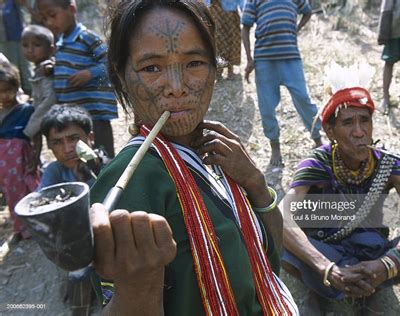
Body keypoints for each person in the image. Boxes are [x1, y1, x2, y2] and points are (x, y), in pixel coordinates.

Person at [88, 1, 298, 315]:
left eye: (194, 63)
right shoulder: (131, 182)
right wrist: (137, 285)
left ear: (215, 67)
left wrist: (255, 183)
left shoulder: (220, 153)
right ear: (121, 76)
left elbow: (268, 259)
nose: (176, 87)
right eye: (152, 68)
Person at [279, 65, 400, 313]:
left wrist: (387, 264)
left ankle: (374, 285)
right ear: (330, 131)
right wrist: (325, 268)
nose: (359, 131)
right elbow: (283, 215)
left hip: (371, 250)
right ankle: (319, 287)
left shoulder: (388, 163)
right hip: (326, 249)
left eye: (365, 120)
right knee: (284, 245)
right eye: (348, 123)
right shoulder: (318, 163)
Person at [39, 104, 107, 316]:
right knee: (78, 279)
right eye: (57, 142)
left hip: (105, 236)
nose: (67, 148)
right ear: (50, 147)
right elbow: (43, 203)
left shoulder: (103, 165)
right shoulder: (54, 172)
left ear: (90, 138)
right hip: (74, 242)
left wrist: (94, 167)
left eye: (74, 139)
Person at [241, 0, 321, 166]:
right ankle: (274, 144)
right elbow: (246, 26)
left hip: (290, 57)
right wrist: (249, 59)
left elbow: (307, 12)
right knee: (267, 107)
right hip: (264, 60)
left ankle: (317, 138)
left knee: (303, 99)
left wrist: (295, 30)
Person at [36, 0, 119, 158]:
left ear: (72, 9)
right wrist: (53, 68)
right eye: (44, 18)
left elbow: (111, 62)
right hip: (74, 117)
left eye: (52, 15)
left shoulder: (87, 37)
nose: (49, 22)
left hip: (95, 114)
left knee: (102, 155)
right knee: (80, 157)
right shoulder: (60, 42)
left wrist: (90, 73)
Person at [0, 61, 40, 241]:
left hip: (22, 159)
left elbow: (36, 135)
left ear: (16, 87)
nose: (4, 96)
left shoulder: (26, 110)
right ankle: (19, 228)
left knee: (29, 190)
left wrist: (36, 157)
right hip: (4, 164)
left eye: (7, 90)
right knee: (11, 194)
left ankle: (36, 226)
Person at [20, 24, 56, 167]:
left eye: (36, 45)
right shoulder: (37, 67)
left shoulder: (46, 66)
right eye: (25, 45)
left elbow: (50, 96)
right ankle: (37, 161)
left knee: (31, 130)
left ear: (51, 49)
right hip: (40, 106)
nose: (30, 50)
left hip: (46, 108)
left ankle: (35, 161)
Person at [0, 0, 34, 95]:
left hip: (21, 35)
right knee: (10, 65)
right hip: (4, 39)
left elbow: (24, 3)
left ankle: (30, 89)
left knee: (25, 64)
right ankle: (15, 91)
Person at [209, 0, 242, 80]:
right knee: (218, 39)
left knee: (232, 39)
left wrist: (244, 9)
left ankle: (230, 69)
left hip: (231, 11)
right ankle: (219, 69)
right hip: (216, 10)